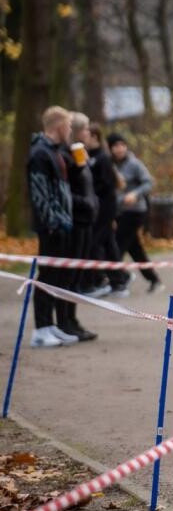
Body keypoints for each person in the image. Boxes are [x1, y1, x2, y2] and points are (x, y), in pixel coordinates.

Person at [26, 106, 78, 348]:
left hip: (63, 225)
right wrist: (57, 221)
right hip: (52, 228)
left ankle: (52, 325)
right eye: (68, 126)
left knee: (59, 275)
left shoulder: (56, 152)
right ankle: (41, 328)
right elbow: (41, 196)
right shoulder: (39, 154)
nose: (70, 131)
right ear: (59, 127)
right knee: (46, 275)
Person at [59, 113, 98, 341]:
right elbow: (68, 190)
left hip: (87, 220)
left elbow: (87, 183)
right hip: (76, 221)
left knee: (77, 276)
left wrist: (94, 201)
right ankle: (64, 321)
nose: (88, 134)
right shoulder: (66, 155)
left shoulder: (81, 153)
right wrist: (85, 202)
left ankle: (72, 319)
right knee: (69, 275)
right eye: (85, 130)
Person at [109, 132, 163, 294]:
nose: (119, 149)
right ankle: (154, 279)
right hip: (119, 212)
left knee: (117, 247)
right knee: (135, 249)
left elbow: (148, 182)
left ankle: (120, 278)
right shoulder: (110, 166)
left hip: (135, 212)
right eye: (115, 146)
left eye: (121, 145)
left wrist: (135, 194)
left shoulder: (134, 164)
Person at [82, 123, 123, 299]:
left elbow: (108, 183)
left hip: (105, 207)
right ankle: (119, 279)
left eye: (87, 135)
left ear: (95, 137)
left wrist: (91, 192)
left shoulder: (102, 158)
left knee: (95, 243)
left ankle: (99, 278)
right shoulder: (87, 156)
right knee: (108, 244)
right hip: (96, 207)